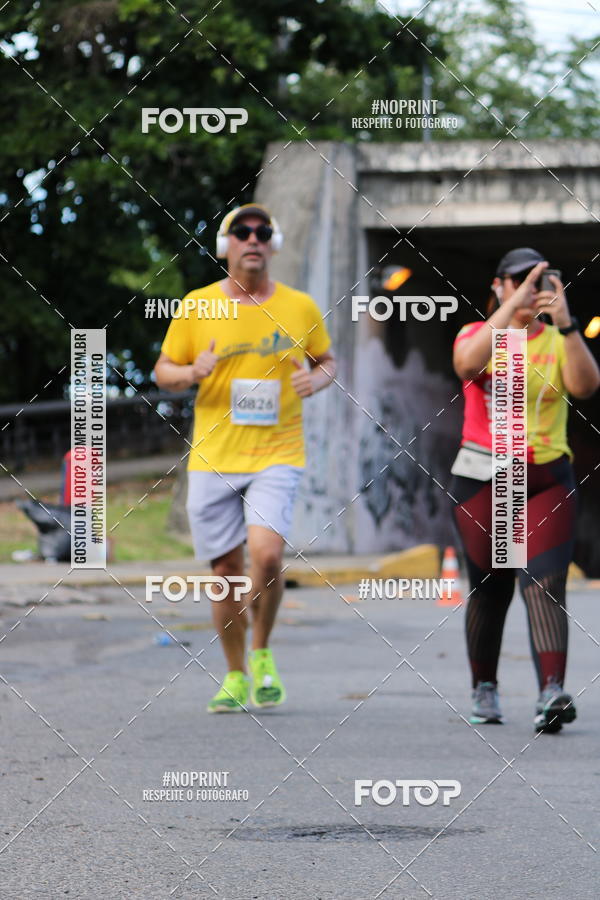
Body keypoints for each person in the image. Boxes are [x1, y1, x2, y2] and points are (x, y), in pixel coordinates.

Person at [154, 203, 336, 713]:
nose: (252, 239)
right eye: (241, 232)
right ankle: (234, 674)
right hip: (213, 456)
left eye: (261, 232)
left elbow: (327, 359)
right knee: (227, 571)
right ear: (226, 245)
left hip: (278, 451)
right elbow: (163, 370)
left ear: (272, 245)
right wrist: (193, 372)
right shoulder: (197, 306)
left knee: (268, 555)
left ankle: (261, 652)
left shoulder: (299, 306)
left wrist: (315, 379)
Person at [450, 247, 600, 732]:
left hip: (544, 478)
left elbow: (585, 387)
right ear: (497, 286)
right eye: (518, 279)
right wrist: (509, 313)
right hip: (483, 478)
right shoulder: (478, 334)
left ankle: (552, 692)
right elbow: (467, 366)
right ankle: (484, 687)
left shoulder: (558, 340)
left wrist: (567, 323)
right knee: (491, 587)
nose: (528, 289)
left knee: (545, 582)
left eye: (538, 280)